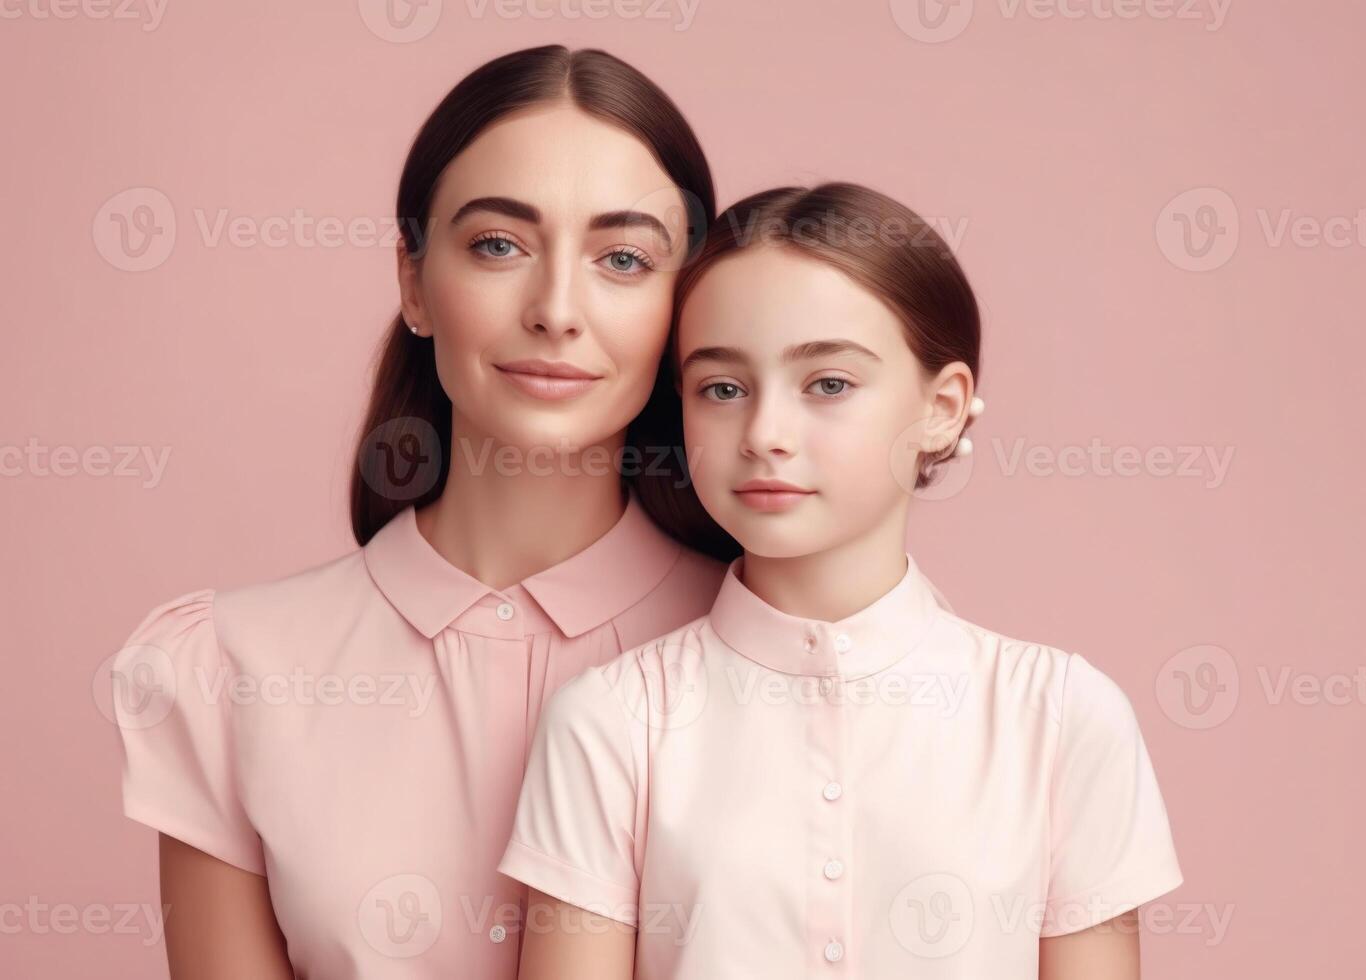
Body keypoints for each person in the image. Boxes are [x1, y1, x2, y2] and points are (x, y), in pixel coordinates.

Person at [110, 45, 733, 979]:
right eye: (498, 245)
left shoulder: (767, 651)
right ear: (413, 282)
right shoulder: (230, 670)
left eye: (624, 258)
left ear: (686, 307)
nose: (557, 309)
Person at [499, 183, 1185, 979]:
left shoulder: (1062, 720)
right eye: (722, 389)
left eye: (828, 383)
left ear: (944, 406)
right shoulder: (609, 727)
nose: (765, 435)